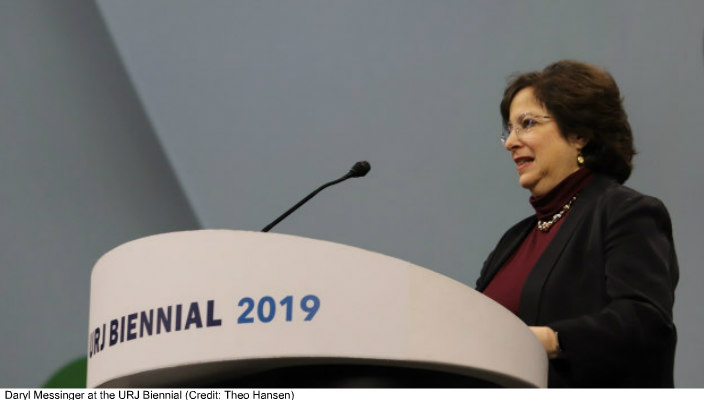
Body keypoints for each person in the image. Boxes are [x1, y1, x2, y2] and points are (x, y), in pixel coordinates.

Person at [475, 60, 679, 388]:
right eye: (509, 129)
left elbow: (646, 324)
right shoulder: (513, 241)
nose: (511, 141)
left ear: (579, 134)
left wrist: (550, 340)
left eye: (526, 123)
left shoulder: (626, 212)